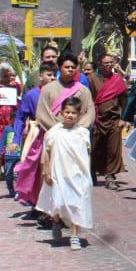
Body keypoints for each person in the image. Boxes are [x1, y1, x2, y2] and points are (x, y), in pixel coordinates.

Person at [38, 96, 94, 251]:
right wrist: (46, 171)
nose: (70, 115)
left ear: (79, 114)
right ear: (62, 112)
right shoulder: (54, 132)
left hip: (77, 175)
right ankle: (56, 221)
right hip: (59, 173)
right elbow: (47, 154)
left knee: (76, 205)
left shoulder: (83, 133)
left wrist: (87, 175)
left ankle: (74, 236)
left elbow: (87, 154)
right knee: (58, 203)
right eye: (67, 112)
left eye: (73, 113)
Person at [12, 62, 56, 219]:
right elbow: (20, 117)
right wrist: (16, 139)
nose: (52, 78)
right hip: (39, 136)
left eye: (54, 75)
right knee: (37, 171)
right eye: (49, 75)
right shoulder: (31, 95)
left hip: (58, 137)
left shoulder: (61, 93)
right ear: (41, 76)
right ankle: (38, 204)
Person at [89, 51, 128, 190]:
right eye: (106, 63)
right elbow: (88, 99)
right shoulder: (92, 79)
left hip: (114, 119)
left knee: (113, 149)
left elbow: (125, 100)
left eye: (111, 62)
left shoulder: (117, 80)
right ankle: (91, 173)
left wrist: (123, 118)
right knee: (94, 148)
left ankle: (110, 177)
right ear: (99, 64)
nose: (109, 65)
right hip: (96, 120)